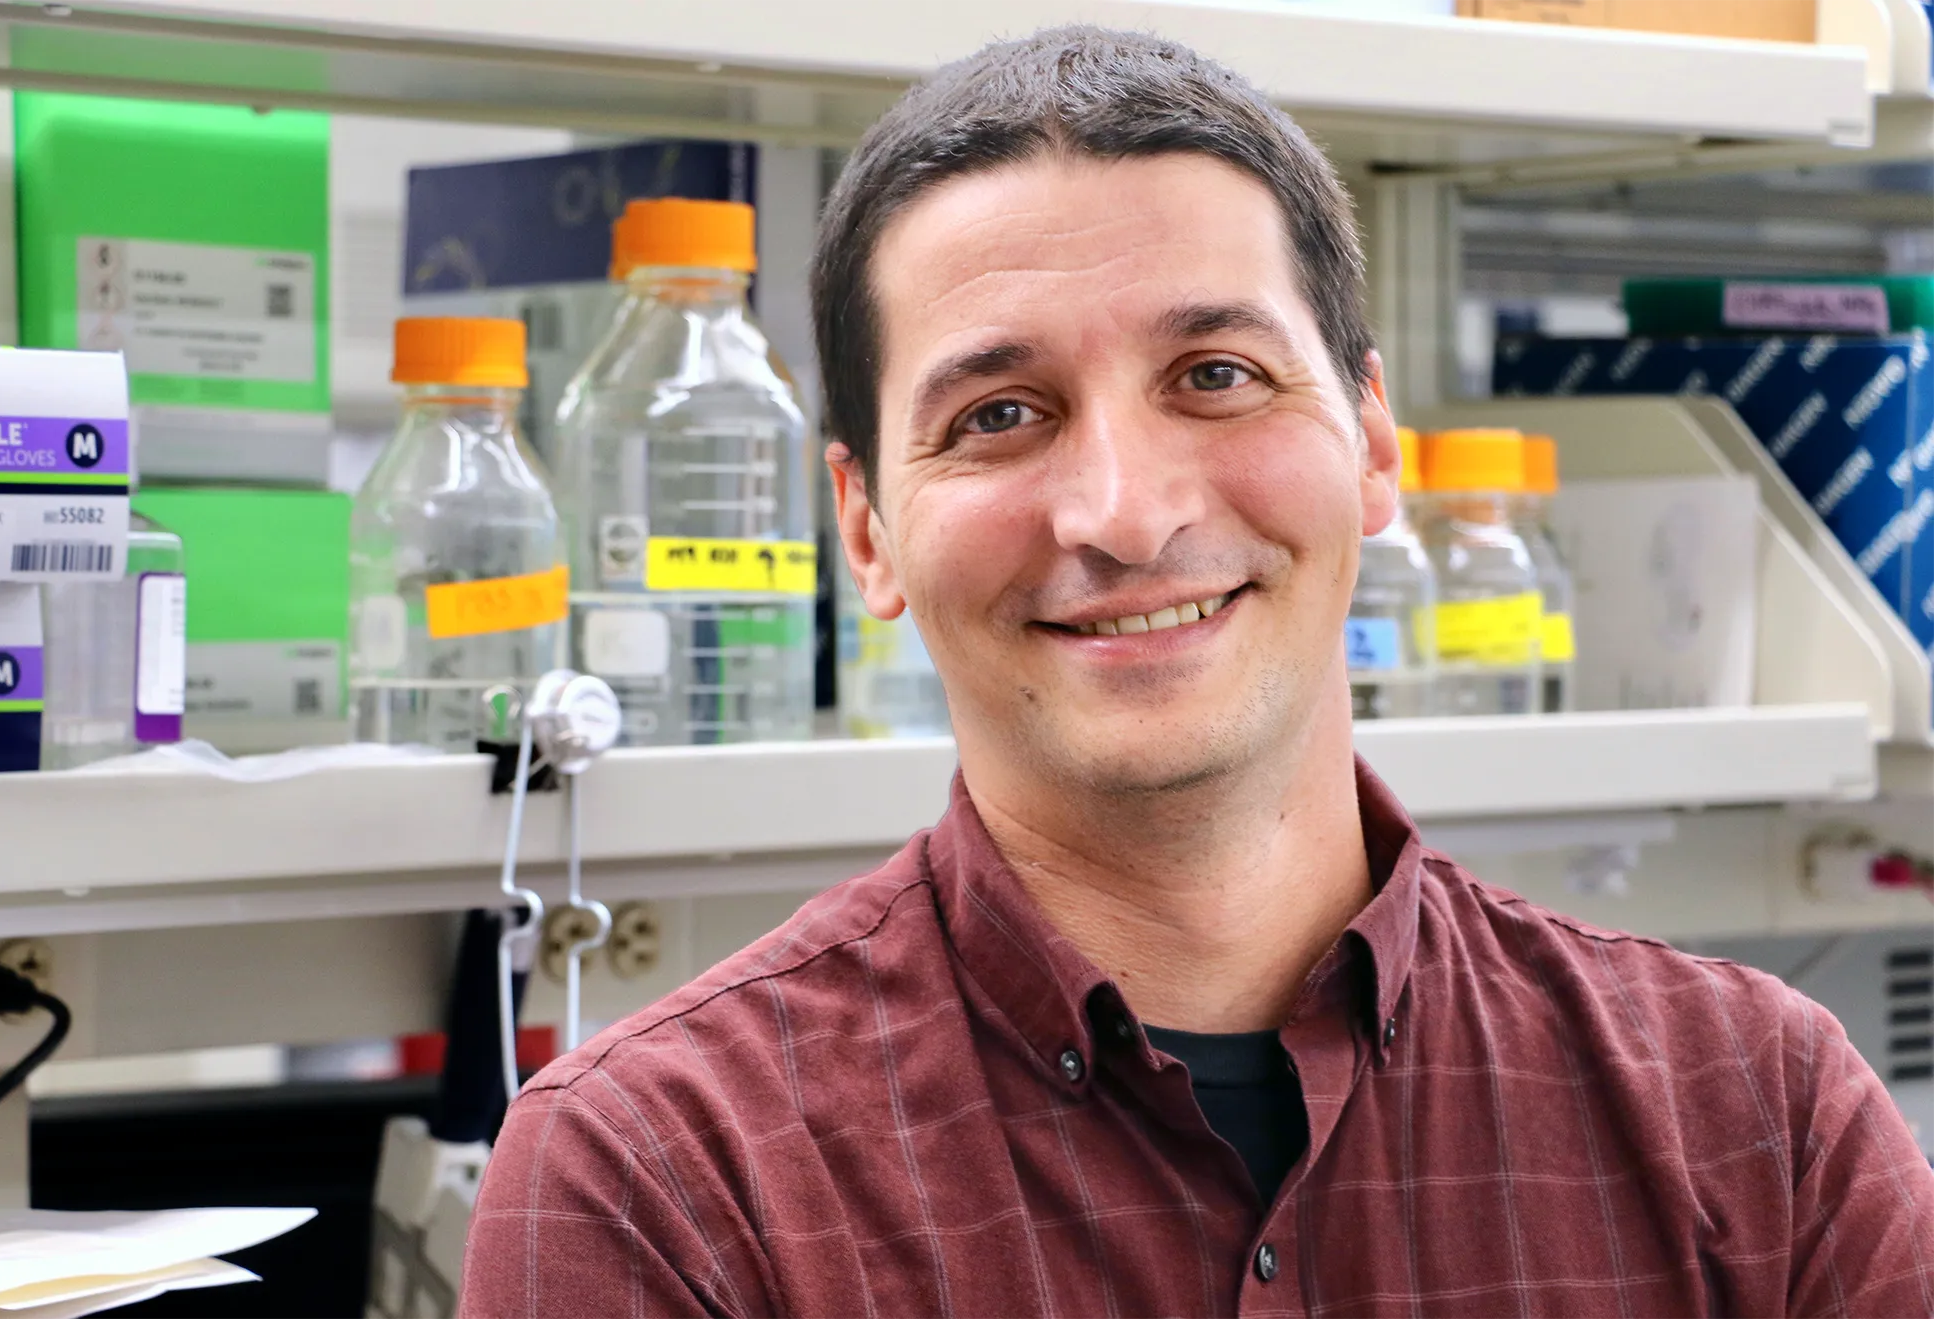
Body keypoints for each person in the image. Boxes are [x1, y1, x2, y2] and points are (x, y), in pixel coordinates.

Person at [459, 26, 1934, 1317]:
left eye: (1214, 376)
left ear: (1370, 443)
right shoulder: (659, 1176)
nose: (1127, 509)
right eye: (1001, 412)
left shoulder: (1757, 1114)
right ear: (865, 525)